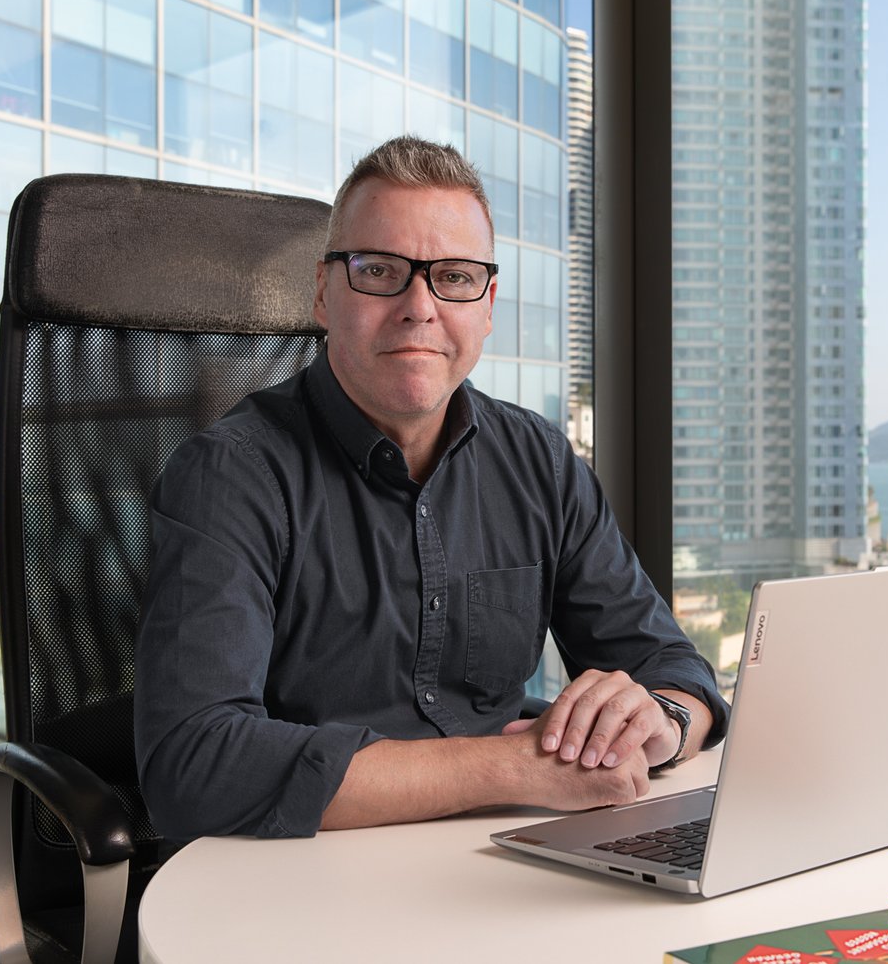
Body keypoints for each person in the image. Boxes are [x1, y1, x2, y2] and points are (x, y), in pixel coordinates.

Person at [135, 135, 728, 841]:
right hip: (309, 875)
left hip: (512, 857)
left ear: (486, 304)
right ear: (324, 292)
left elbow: (673, 667)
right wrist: (511, 769)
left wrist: (660, 722)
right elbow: (194, 766)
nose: (419, 306)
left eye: (453, 276)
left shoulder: (536, 458)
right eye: (380, 270)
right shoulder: (233, 474)